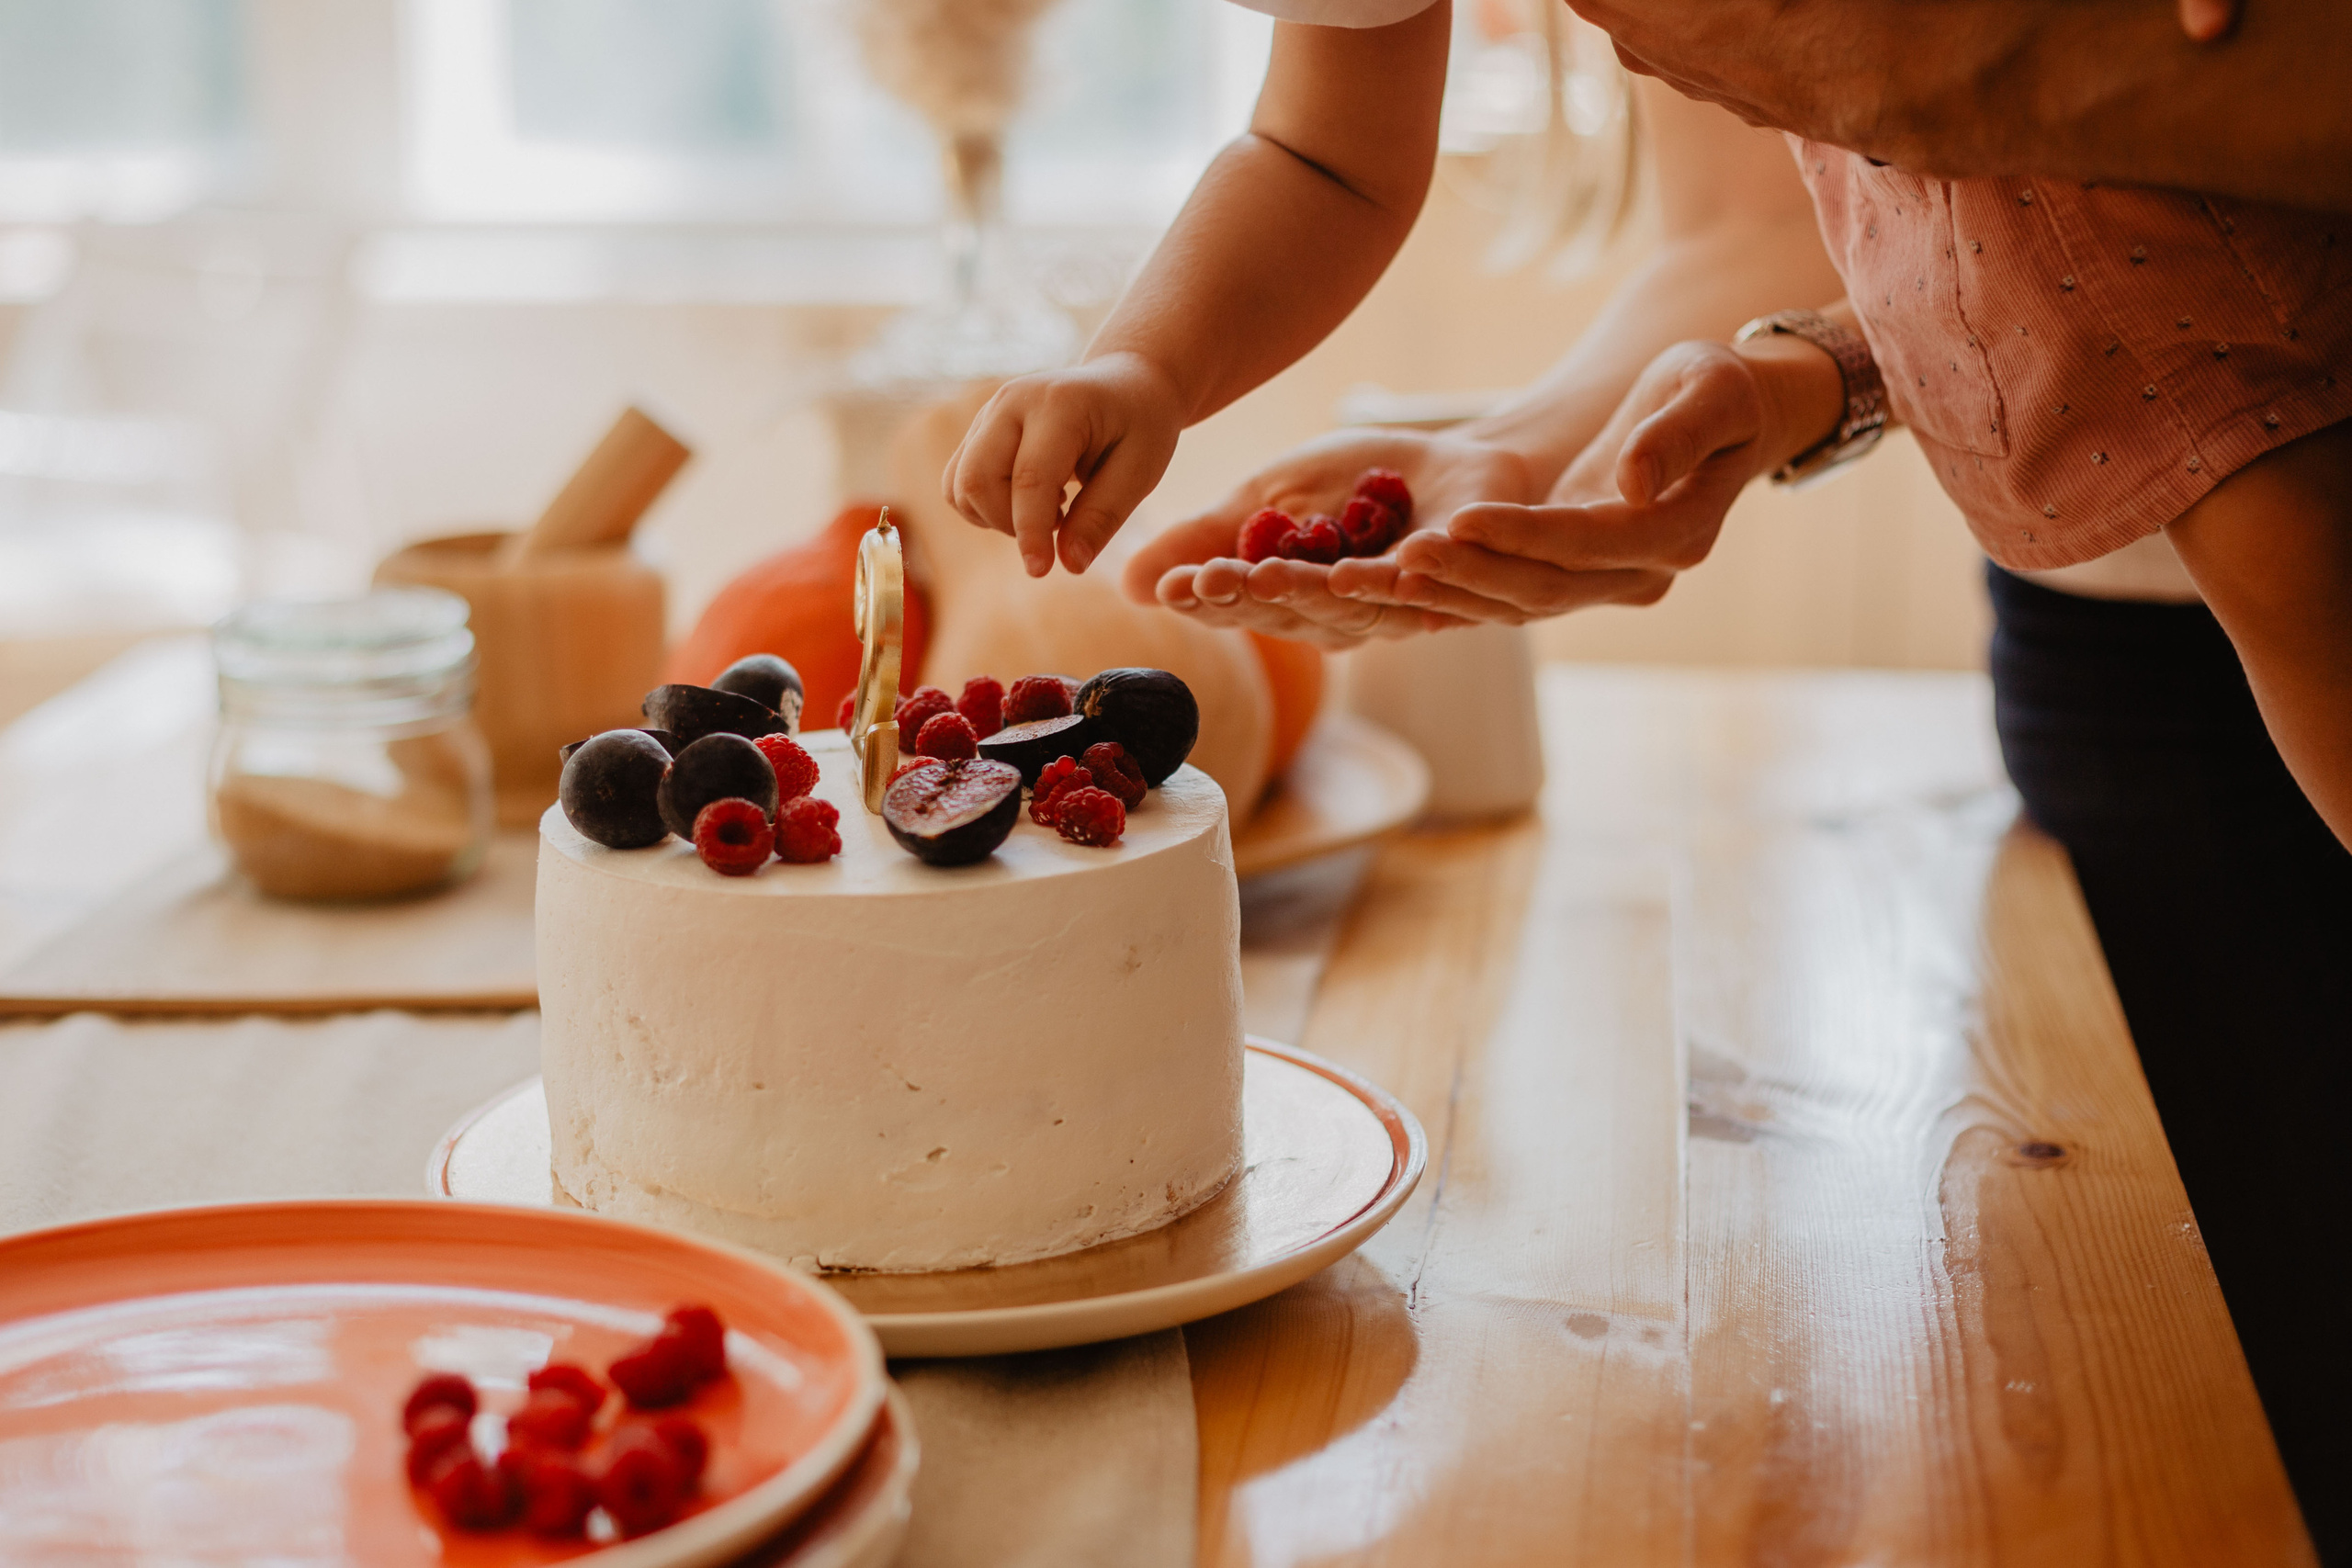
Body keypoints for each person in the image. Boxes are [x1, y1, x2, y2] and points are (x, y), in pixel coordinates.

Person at [936, 4, 2351, 1553]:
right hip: (2113, 577)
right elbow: (1332, 148)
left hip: (2252, 415)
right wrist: (1157, 362)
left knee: (2289, 556)